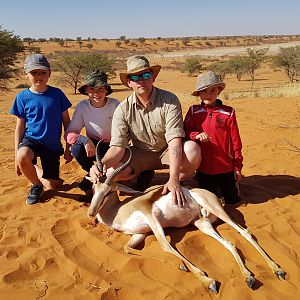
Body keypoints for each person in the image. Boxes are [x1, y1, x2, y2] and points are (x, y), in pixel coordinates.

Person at [90, 55, 201, 206]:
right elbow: (117, 147)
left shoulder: (169, 100)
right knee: (110, 172)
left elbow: (174, 141)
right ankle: (137, 179)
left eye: (146, 75)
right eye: (135, 77)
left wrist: (174, 179)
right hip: (139, 154)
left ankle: (176, 183)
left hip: (166, 151)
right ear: (129, 82)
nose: (141, 80)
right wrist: (100, 165)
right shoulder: (122, 109)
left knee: (192, 150)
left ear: (153, 78)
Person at [10, 54, 72, 205]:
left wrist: (68, 148)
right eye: (34, 73)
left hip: (52, 145)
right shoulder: (22, 97)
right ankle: (36, 185)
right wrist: (17, 155)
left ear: (49, 74)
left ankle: (34, 167)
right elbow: (20, 126)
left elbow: (67, 122)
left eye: (43, 72)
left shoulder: (57, 94)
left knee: (52, 186)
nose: (39, 76)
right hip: (31, 140)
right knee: (23, 156)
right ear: (26, 74)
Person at [184, 71, 243, 204]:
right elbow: (184, 131)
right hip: (203, 169)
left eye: (213, 90)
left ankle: (232, 185)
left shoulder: (228, 112)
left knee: (232, 200)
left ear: (219, 91)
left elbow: (236, 141)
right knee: (209, 201)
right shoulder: (193, 111)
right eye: (204, 91)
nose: (208, 94)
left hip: (225, 167)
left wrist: (237, 167)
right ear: (199, 94)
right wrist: (196, 135)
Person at [65, 70, 119, 191]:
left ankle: (95, 176)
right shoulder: (82, 107)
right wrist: (84, 140)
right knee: (76, 148)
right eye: (91, 89)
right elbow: (69, 134)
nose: (96, 93)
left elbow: (126, 130)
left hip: (115, 146)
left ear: (106, 90)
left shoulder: (115, 105)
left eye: (100, 89)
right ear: (86, 91)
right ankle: (91, 171)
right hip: (94, 147)